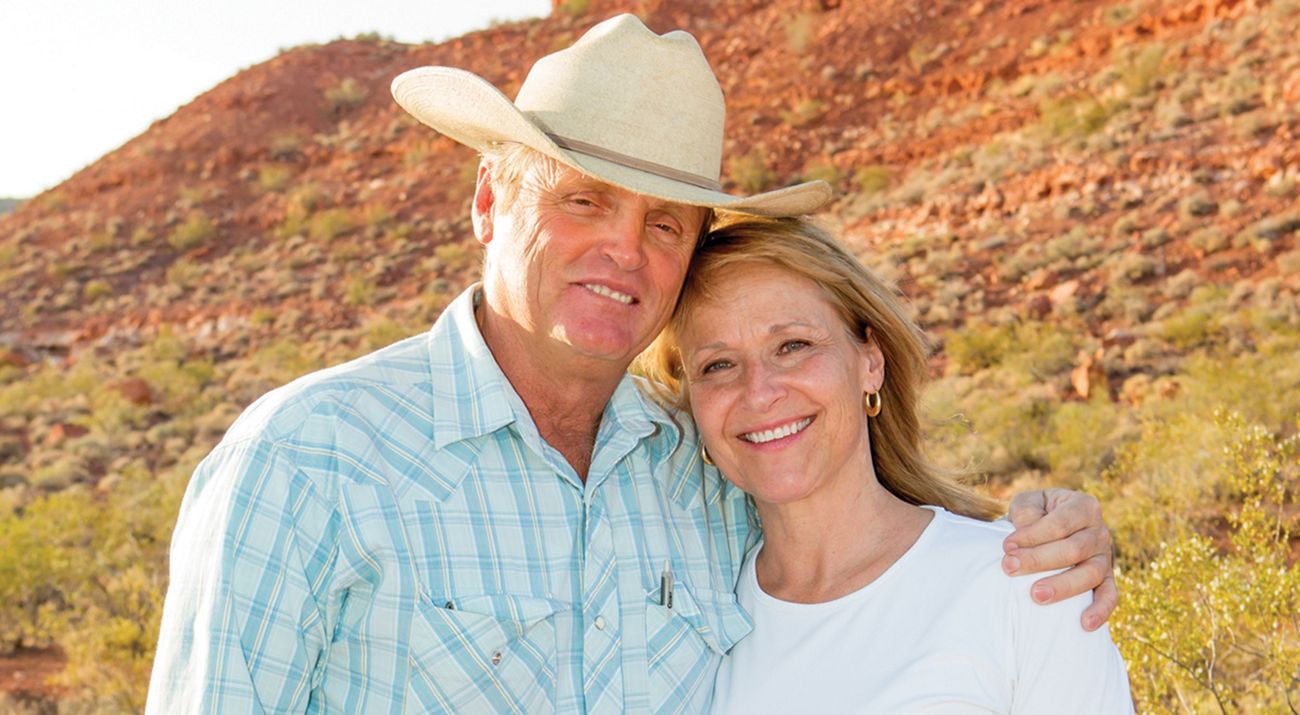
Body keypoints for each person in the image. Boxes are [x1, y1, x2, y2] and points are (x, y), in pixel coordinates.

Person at [147, 14, 1117, 714]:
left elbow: (864, 542)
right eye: (582, 202)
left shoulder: (698, 469)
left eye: (662, 223)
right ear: (490, 200)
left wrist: (1060, 528)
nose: (623, 251)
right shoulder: (309, 461)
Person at [640, 215, 1133, 713]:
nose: (760, 392)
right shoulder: (696, 627)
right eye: (718, 365)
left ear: (869, 362)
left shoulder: (1026, 585)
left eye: (794, 345)